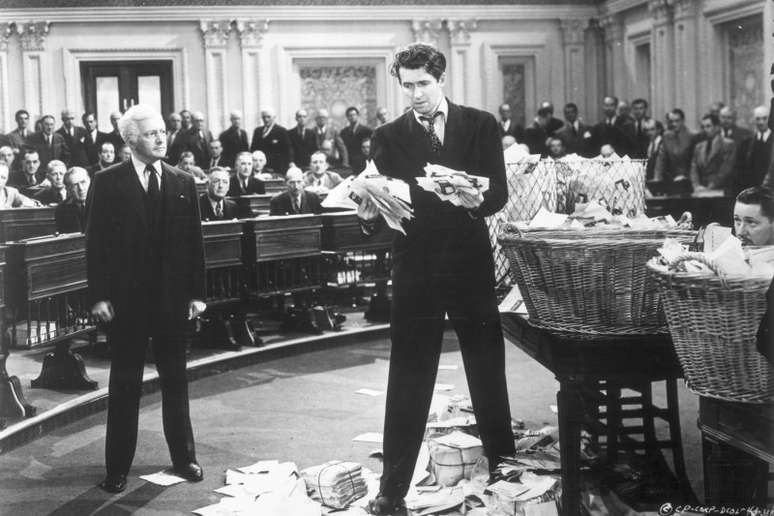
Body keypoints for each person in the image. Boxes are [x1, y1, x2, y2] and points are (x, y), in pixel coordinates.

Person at [359, 43, 514, 515]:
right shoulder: (386, 135)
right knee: (408, 374)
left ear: (440, 78)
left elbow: (499, 193)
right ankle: (393, 487)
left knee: (486, 366)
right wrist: (369, 210)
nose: (415, 95)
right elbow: (380, 206)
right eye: (406, 86)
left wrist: (475, 199)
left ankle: (506, 466)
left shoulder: (481, 124)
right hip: (416, 268)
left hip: (468, 262)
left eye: (422, 84)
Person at [86, 103, 206, 494]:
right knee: (124, 386)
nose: (161, 137)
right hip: (127, 303)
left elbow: (194, 244)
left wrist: (197, 294)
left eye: (162, 131)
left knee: (176, 381)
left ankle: (184, 457)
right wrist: (99, 296)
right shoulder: (106, 182)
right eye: (152, 133)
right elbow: (96, 245)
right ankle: (117, 467)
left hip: (172, 301)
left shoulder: (182, 181)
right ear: (131, 139)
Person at [689, 113, 737, 193]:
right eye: (703, 127)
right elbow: (694, 169)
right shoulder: (699, 147)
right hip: (700, 191)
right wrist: (696, 186)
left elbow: (725, 170)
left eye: (708, 126)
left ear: (717, 127)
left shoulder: (728, 144)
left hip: (720, 191)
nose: (705, 129)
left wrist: (710, 187)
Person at [653, 108, 699, 186]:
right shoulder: (666, 136)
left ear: (683, 121)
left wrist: (685, 177)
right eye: (671, 121)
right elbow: (661, 160)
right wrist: (657, 178)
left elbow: (694, 163)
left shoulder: (692, 136)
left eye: (677, 121)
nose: (674, 124)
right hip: (670, 180)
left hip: (688, 180)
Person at [250, 107, 291, 176]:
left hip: (276, 168)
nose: (266, 119)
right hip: (260, 168)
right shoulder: (257, 131)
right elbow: (253, 149)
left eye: (268, 117)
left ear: (274, 117)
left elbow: (287, 151)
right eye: (264, 117)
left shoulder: (281, 131)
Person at [740, 105, 772, 192]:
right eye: (758, 119)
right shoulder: (746, 142)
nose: (761, 122)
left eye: (764, 118)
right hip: (752, 189)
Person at [55, 167, 90, 233]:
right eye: (75, 185)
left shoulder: (103, 202)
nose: (81, 188)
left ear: (89, 181)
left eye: (83, 182)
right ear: (68, 189)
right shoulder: (61, 210)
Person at [340, 106, 373, 172]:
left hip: (363, 162)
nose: (352, 117)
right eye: (350, 115)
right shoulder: (343, 132)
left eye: (354, 115)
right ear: (347, 117)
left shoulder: (367, 130)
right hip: (349, 162)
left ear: (358, 116)